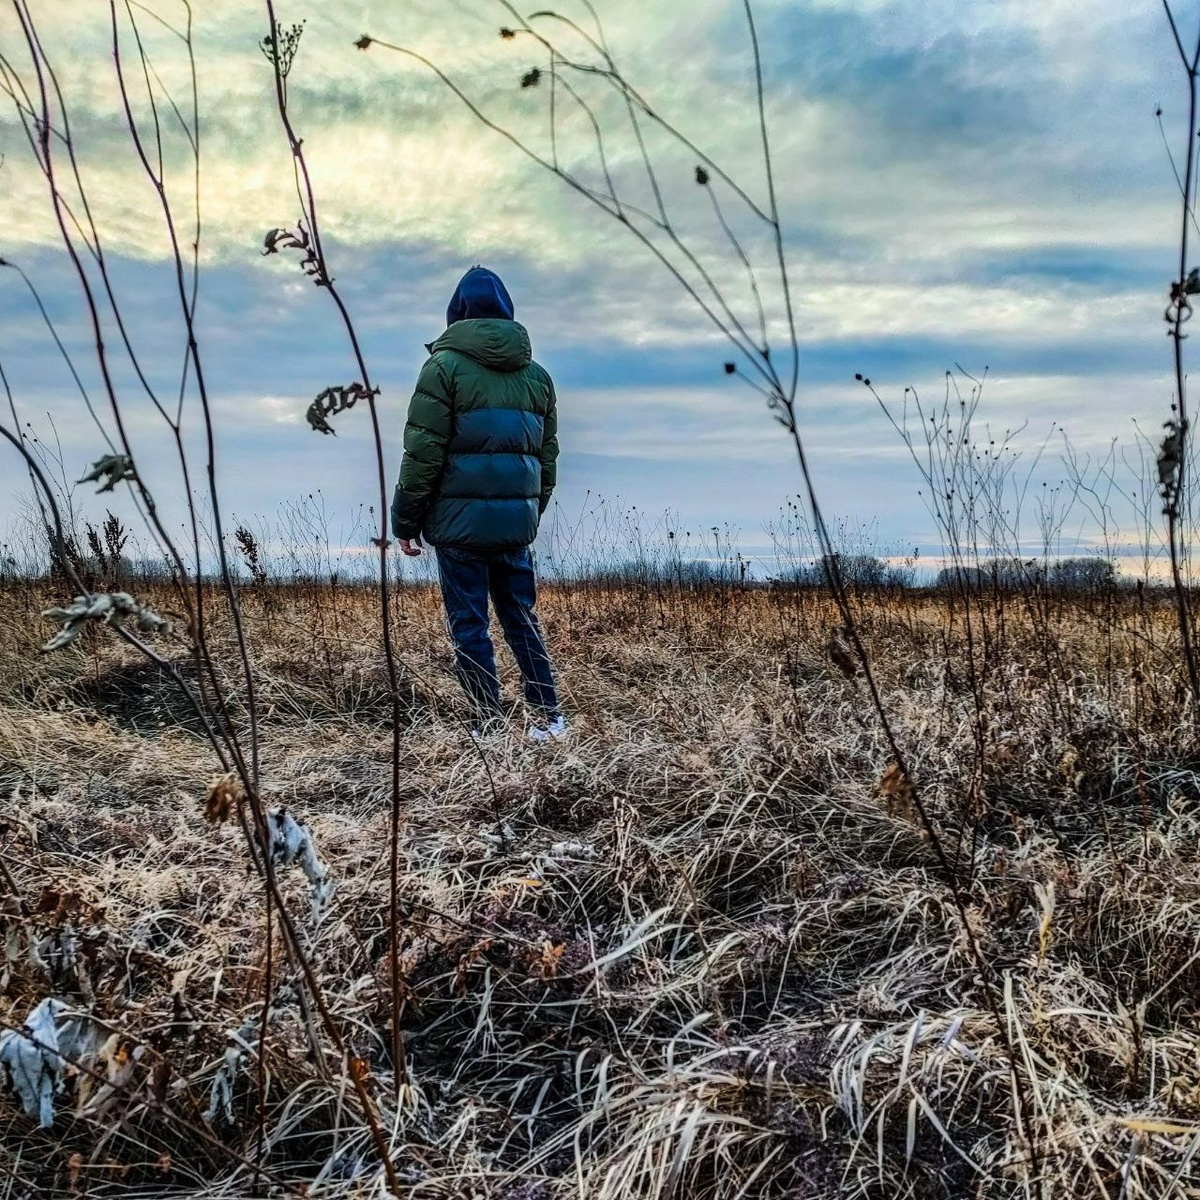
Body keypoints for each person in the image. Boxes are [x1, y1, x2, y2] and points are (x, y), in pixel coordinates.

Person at [390, 266, 566, 741]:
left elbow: (423, 451)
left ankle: (488, 724)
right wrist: (528, 514)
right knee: (520, 618)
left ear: (457, 312)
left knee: (470, 623)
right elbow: (546, 460)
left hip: (458, 528)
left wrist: (405, 520)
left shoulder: (442, 368)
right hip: (514, 530)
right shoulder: (539, 378)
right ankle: (549, 717)